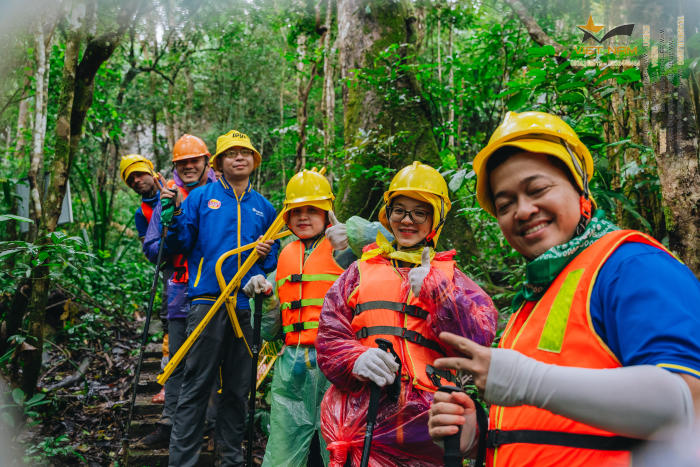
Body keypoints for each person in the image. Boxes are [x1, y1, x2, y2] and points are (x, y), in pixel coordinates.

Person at [428, 111, 700, 467]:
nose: (522, 211)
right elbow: (551, 428)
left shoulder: (629, 265)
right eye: (505, 204)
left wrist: (526, 381)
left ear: (579, 187)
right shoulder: (536, 298)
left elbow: (689, 406)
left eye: (538, 189)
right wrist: (477, 436)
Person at [315, 162, 498, 466]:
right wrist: (355, 357)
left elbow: (478, 338)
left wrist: (439, 292)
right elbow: (329, 336)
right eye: (399, 210)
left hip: (430, 425)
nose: (407, 220)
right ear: (388, 215)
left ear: (435, 220)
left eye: (420, 212)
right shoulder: (356, 273)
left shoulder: (452, 279)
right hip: (366, 417)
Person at [162, 129, 279, 466]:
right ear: (220, 163)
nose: (238, 158)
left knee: (239, 390)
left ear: (253, 161)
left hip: (247, 308)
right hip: (208, 302)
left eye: (244, 153)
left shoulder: (264, 208)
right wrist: (171, 217)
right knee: (196, 384)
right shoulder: (201, 197)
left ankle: (230, 459)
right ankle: (182, 461)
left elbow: (271, 263)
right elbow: (179, 244)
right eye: (231, 154)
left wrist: (264, 255)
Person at [242, 168, 356, 467]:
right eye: (296, 211)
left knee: (337, 449)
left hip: (337, 365)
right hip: (292, 367)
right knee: (283, 452)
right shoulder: (285, 255)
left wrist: (350, 246)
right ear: (287, 217)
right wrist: (265, 299)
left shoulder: (346, 250)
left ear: (327, 212)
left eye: (312, 210)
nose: (303, 217)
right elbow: (268, 331)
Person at [137, 134, 217, 448]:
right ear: (174, 166)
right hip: (180, 287)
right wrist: (173, 235)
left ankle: (208, 422)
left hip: (214, 286)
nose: (188, 167)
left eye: (193, 161)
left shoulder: (219, 193)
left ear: (206, 161)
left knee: (212, 357)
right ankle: (170, 424)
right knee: (177, 358)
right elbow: (151, 246)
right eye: (181, 163)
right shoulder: (167, 197)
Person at [119, 153, 169, 406]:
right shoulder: (142, 213)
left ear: (151, 171)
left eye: (140, 174)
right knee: (170, 323)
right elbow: (149, 251)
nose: (137, 181)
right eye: (132, 179)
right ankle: (167, 381)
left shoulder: (175, 189)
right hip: (171, 270)